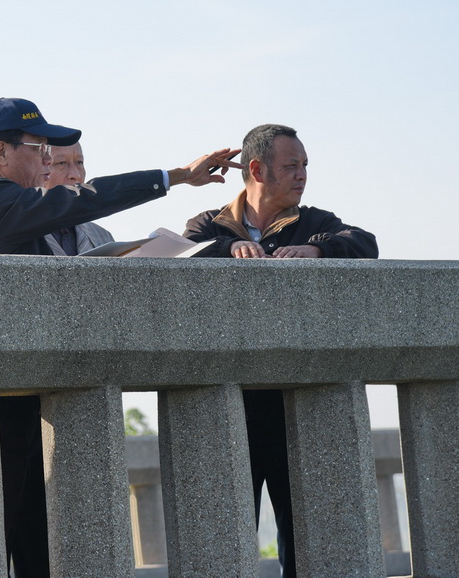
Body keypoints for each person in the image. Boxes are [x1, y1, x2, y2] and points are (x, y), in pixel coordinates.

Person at [0, 97, 243, 576]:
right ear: (0, 153)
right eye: (38, 148)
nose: (46, 160)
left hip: (18, 386)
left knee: (35, 535)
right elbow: (83, 199)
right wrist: (176, 176)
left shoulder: (6, 204)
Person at [183, 123, 378, 578]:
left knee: (306, 536)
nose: (302, 175)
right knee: (225, 535)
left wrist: (316, 253)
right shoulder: (209, 225)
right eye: (291, 166)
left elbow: (364, 243)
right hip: (226, 403)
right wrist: (232, 247)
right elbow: (183, 253)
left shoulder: (315, 223)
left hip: (298, 403)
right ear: (256, 169)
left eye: (305, 165)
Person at [42, 142, 114, 255]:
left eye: (79, 162)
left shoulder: (103, 237)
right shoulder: (17, 233)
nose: (76, 175)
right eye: (61, 163)